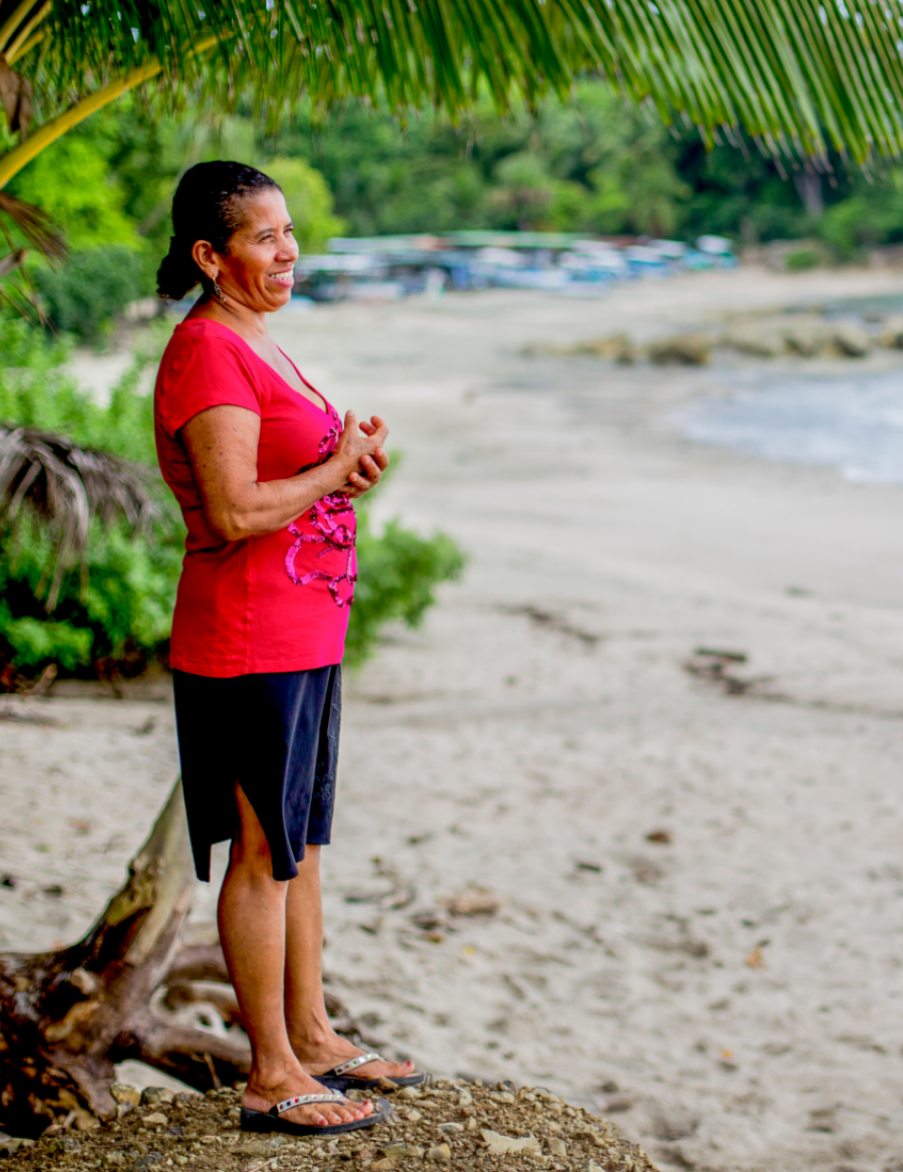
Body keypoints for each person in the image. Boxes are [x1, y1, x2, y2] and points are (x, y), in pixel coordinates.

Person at [152, 161, 422, 1137]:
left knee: (298, 844)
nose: (288, 250)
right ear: (210, 256)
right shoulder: (205, 354)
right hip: (246, 635)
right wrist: (334, 467)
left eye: (290, 231)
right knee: (262, 850)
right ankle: (268, 1071)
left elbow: (286, 478)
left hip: (304, 628)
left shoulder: (254, 340)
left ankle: (310, 1032)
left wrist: (344, 466)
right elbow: (228, 512)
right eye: (265, 237)